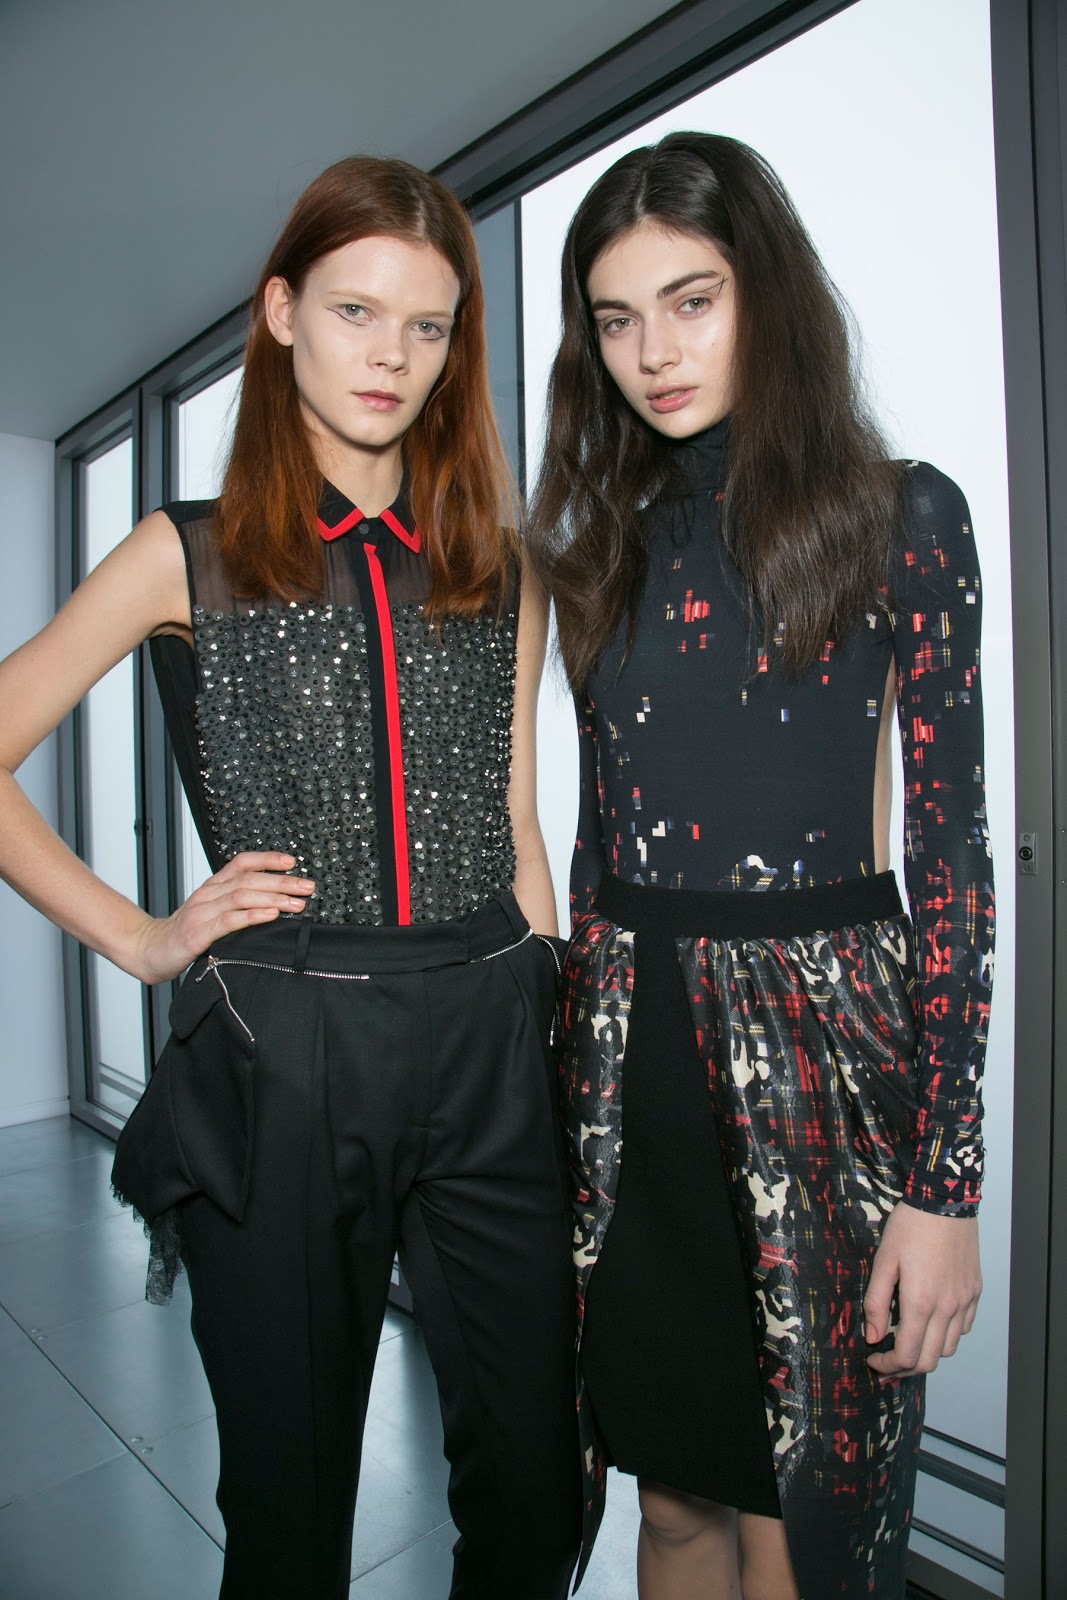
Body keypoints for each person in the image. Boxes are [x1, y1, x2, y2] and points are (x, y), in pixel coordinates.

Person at [0, 155, 581, 1600]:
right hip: (287, 1043)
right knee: (289, 1501)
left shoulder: (504, 567)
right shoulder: (183, 552)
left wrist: (548, 1010)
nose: (392, 355)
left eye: (428, 326)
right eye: (354, 311)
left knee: (538, 1476)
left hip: (493, 1036)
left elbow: (516, 820)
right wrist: (142, 939)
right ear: (281, 313)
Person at [529, 132, 994, 1600]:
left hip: (825, 1067)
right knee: (669, 1502)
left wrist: (946, 1186)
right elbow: (599, 844)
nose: (654, 353)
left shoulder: (900, 514)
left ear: (765, 293)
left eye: (693, 300)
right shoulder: (597, 545)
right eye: (617, 319)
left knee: (806, 1540)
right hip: (633, 1068)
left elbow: (953, 859)